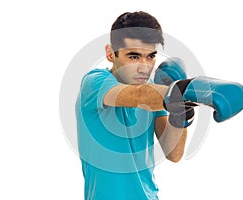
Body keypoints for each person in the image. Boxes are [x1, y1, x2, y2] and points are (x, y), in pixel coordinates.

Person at [75, 11, 194, 200]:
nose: (145, 67)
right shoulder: (95, 82)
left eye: (151, 56)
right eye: (134, 56)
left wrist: (182, 109)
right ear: (110, 53)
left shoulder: (159, 94)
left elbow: (174, 153)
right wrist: (185, 90)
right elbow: (139, 96)